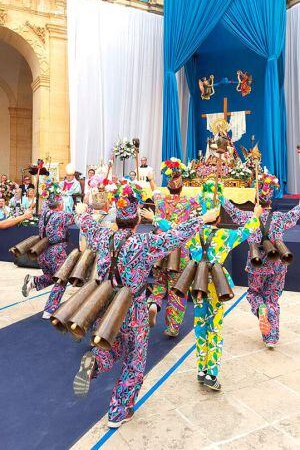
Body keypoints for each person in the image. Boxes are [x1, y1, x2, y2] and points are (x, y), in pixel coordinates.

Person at [73, 181, 218, 428]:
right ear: (138, 222)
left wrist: (80, 212)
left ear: (117, 219)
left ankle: (95, 363)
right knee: (134, 361)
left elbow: (85, 222)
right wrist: (202, 218)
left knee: (110, 345)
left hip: (107, 305)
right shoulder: (143, 244)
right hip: (133, 310)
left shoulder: (102, 235)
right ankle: (118, 411)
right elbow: (176, 236)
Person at [153, 180, 262, 390]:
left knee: (200, 324)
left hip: (198, 284)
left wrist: (155, 218)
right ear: (219, 217)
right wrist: (256, 215)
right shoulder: (225, 235)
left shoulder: (193, 234)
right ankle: (211, 373)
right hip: (217, 286)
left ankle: (201, 370)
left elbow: (173, 228)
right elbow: (247, 231)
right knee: (215, 327)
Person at [223, 171, 300, 348]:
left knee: (254, 294)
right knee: (272, 298)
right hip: (278, 265)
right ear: (271, 200)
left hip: (256, 264)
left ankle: (260, 308)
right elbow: (295, 214)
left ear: (256, 199)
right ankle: (271, 338)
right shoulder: (279, 218)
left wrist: (221, 198)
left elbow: (233, 212)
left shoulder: (249, 218)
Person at [147, 159, 200, 336]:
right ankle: (172, 327)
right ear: (181, 187)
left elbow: (154, 191)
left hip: (160, 248)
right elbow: (205, 202)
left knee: (159, 282)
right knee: (178, 288)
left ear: (168, 187)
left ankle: (154, 304)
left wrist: (151, 179)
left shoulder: (160, 201)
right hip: (179, 251)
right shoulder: (188, 202)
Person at [22, 180, 74, 319]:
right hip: (55, 252)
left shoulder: (43, 214)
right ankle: (49, 310)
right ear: (60, 204)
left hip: (42, 252)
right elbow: (76, 218)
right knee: (61, 279)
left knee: (51, 277)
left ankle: (34, 281)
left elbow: (46, 204)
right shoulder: (61, 215)